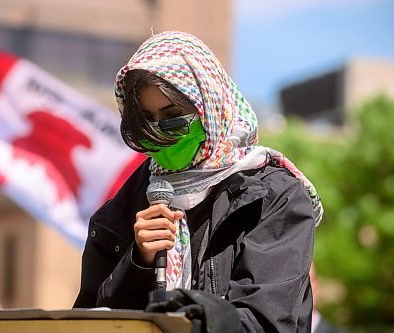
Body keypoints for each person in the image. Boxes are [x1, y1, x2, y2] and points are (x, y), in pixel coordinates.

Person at [73, 31, 323, 332]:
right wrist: (138, 262)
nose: (162, 135)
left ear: (210, 110)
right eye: (146, 123)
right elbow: (88, 323)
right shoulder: (120, 211)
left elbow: (266, 320)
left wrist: (187, 316)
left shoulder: (274, 196)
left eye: (173, 118)